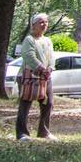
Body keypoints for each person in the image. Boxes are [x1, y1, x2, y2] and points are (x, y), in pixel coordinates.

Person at [16, 13, 54, 141]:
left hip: (45, 78)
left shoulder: (48, 41)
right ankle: (22, 133)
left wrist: (50, 68)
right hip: (28, 77)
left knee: (48, 103)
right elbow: (28, 55)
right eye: (41, 22)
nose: (44, 25)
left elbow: (51, 58)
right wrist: (41, 69)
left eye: (46, 22)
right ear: (34, 25)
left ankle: (44, 132)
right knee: (25, 103)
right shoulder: (29, 39)